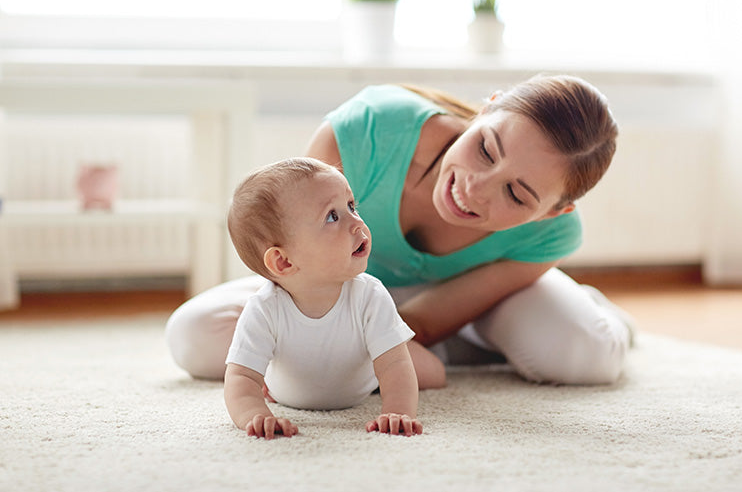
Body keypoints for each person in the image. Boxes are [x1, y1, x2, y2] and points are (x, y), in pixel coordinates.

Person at [166, 74, 634, 388]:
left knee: (585, 356)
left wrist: (340, 355)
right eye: (486, 150)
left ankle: (591, 312)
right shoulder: (367, 130)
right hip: (333, 284)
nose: (475, 187)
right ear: (484, 111)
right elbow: (298, 257)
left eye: (517, 195)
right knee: (195, 335)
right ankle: (464, 350)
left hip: (468, 303)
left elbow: (427, 322)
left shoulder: (552, 235)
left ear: (555, 211)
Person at [223, 157, 442, 439]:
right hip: (286, 394)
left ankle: (414, 349)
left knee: (433, 374)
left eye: (351, 206)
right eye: (332, 216)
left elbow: (394, 365)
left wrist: (398, 411)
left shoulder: (370, 294)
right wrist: (256, 415)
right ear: (283, 262)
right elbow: (241, 378)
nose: (357, 223)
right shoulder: (264, 309)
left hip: (364, 384)